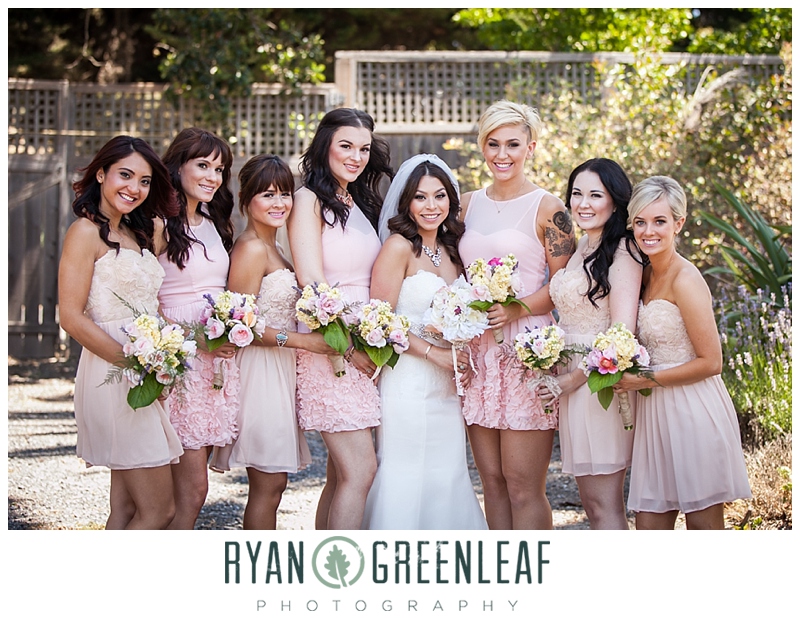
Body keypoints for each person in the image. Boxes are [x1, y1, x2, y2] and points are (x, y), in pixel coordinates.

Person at [458, 100, 575, 530]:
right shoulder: (465, 204)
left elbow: (563, 287)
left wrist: (515, 308)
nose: (502, 154)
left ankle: (534, 568)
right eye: (493, 144)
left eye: (512, 144)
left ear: (531, 147)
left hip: (527, 350)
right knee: (491, 482)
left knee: (523, 485)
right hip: (478, 352)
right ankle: (502, 565)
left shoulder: (550, 209)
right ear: (482, 147)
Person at [58, 135, 183, 529]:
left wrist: (163, 360)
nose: (135, 188)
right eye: (125, 175)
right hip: (114, 372)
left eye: (144, 181)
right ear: (101, 174)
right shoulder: (84, 232)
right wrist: (137, 365)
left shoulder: (137, 233)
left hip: (143, 371)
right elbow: (71, 317)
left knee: (127, 509)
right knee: (160, 510)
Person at [614, 176, 752, 530]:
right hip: (654, 415)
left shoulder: (685, 279)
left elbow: (712, 362)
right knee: (649, 526)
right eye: (640, 222)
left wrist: (644, 379)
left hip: (692, 410)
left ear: (679, 223)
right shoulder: (644, 274)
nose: (648, 232)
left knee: (703, 529)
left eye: (659, 221)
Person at [362, 154, 488, 530]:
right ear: (407, 202)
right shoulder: (398, 247)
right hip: (407, 378)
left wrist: (459, 351)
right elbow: (381, 320)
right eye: (420, 197)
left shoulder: (453, 251)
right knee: (405, 468)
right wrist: (434, 354)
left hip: (447, 383)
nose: (431, 206)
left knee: (447, 469)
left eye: (439, 196)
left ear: (451, 200)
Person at [287, 107, 394, 530]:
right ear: (324, 146)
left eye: (364, 149)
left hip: (365, 345)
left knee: (341, 475)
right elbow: (311, 280)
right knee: (361, 470)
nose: (356, 157)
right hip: (332, 348)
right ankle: (342, 563)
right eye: (346, 146)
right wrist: (347, 346)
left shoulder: (357, 201)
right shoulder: (308, 200)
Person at [224, 154, 333, 530]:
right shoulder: (252, 248)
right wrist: (303, 342)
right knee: (268, 486)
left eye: (285, 194)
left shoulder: (277, 248)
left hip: (281, 370)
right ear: (247, 198)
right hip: (260, 374)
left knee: (274, 485)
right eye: (267, 194)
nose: (279, 203)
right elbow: (240, 326)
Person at [538, 158, 642, 529]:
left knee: (604, 505)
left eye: (595, 195)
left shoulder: (624, 251)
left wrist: (573, 379)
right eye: (577, 194)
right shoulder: (582, 245)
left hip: (598, 383)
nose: (583, 203)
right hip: (572, 380)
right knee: (592, 503)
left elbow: (621, 332)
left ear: (615, 200)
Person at [156, 127, 240, 529]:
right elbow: (143, 298)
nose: (212, 177)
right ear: (178, 167)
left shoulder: (213, 221)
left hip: (214, 365)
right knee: (190, 492)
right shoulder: (158, 223)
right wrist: (194, 339)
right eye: (203, 165)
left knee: (185, 493)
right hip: (180, 362)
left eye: (219, 169)